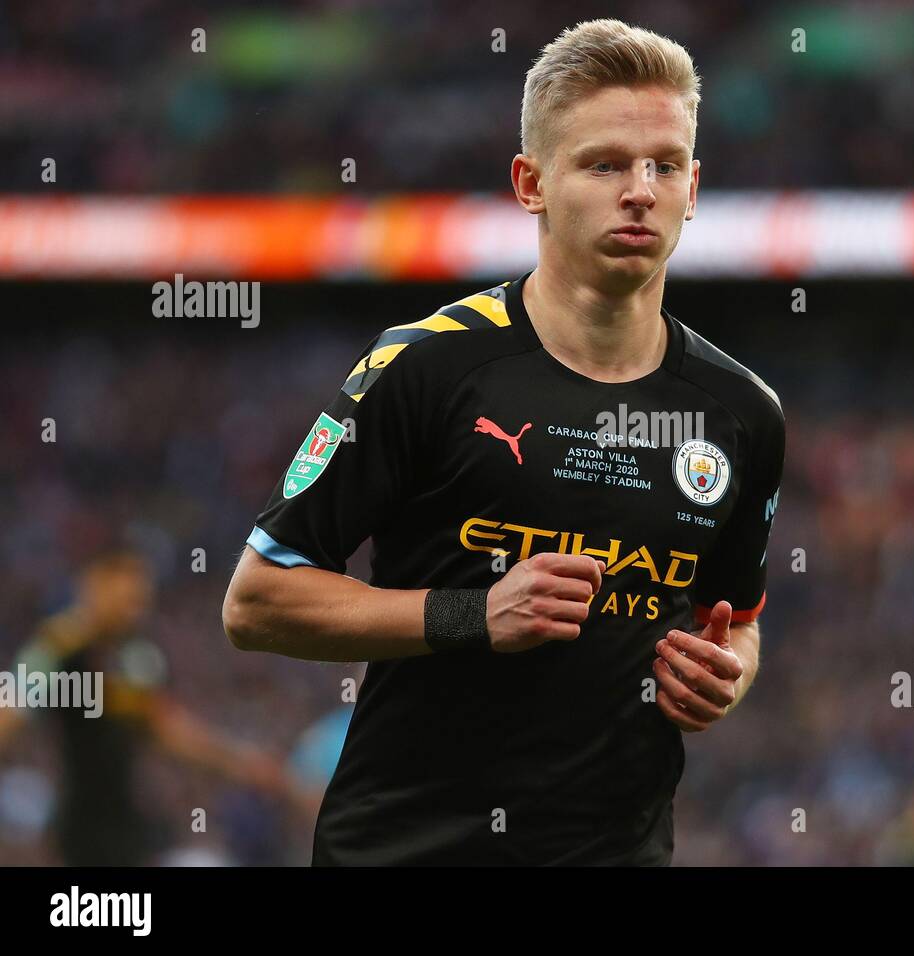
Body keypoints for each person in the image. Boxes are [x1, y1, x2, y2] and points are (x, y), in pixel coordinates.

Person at [222, 18, 785, 865]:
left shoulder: (741, 412)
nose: (639, 189)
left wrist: (725, 676)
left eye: (664, 165)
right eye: (603, 164)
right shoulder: (424, 367)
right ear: (531, 183)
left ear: (694, 185)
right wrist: (472, 615)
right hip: (406, 850)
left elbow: (736, 622)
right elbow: (256, 601)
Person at [0, 550, 308, 865]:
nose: (135, 610)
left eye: (140, 600)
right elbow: (11, 709)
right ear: (93, 588)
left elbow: (166, 729)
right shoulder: (59, 649)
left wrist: (241, 763)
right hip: (78, 824)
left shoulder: (138, 657)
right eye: (127, 599)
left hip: (127, 819)